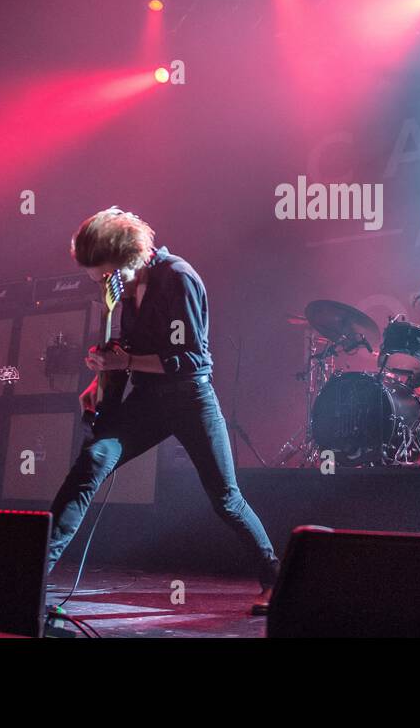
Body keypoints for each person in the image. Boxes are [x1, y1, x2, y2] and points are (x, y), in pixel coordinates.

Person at [47, 207, 280, 614]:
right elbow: (130, 349)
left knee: (226, 498)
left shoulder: (179, 278)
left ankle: (276, 579)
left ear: (125, 255)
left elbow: (190, 360)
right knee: (92, 462)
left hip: (189, 398)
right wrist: (100, 379)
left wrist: (125, 364)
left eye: (103, 270)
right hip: (149, 400)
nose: (101, 279)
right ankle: (35, 569)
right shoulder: (125, 284)